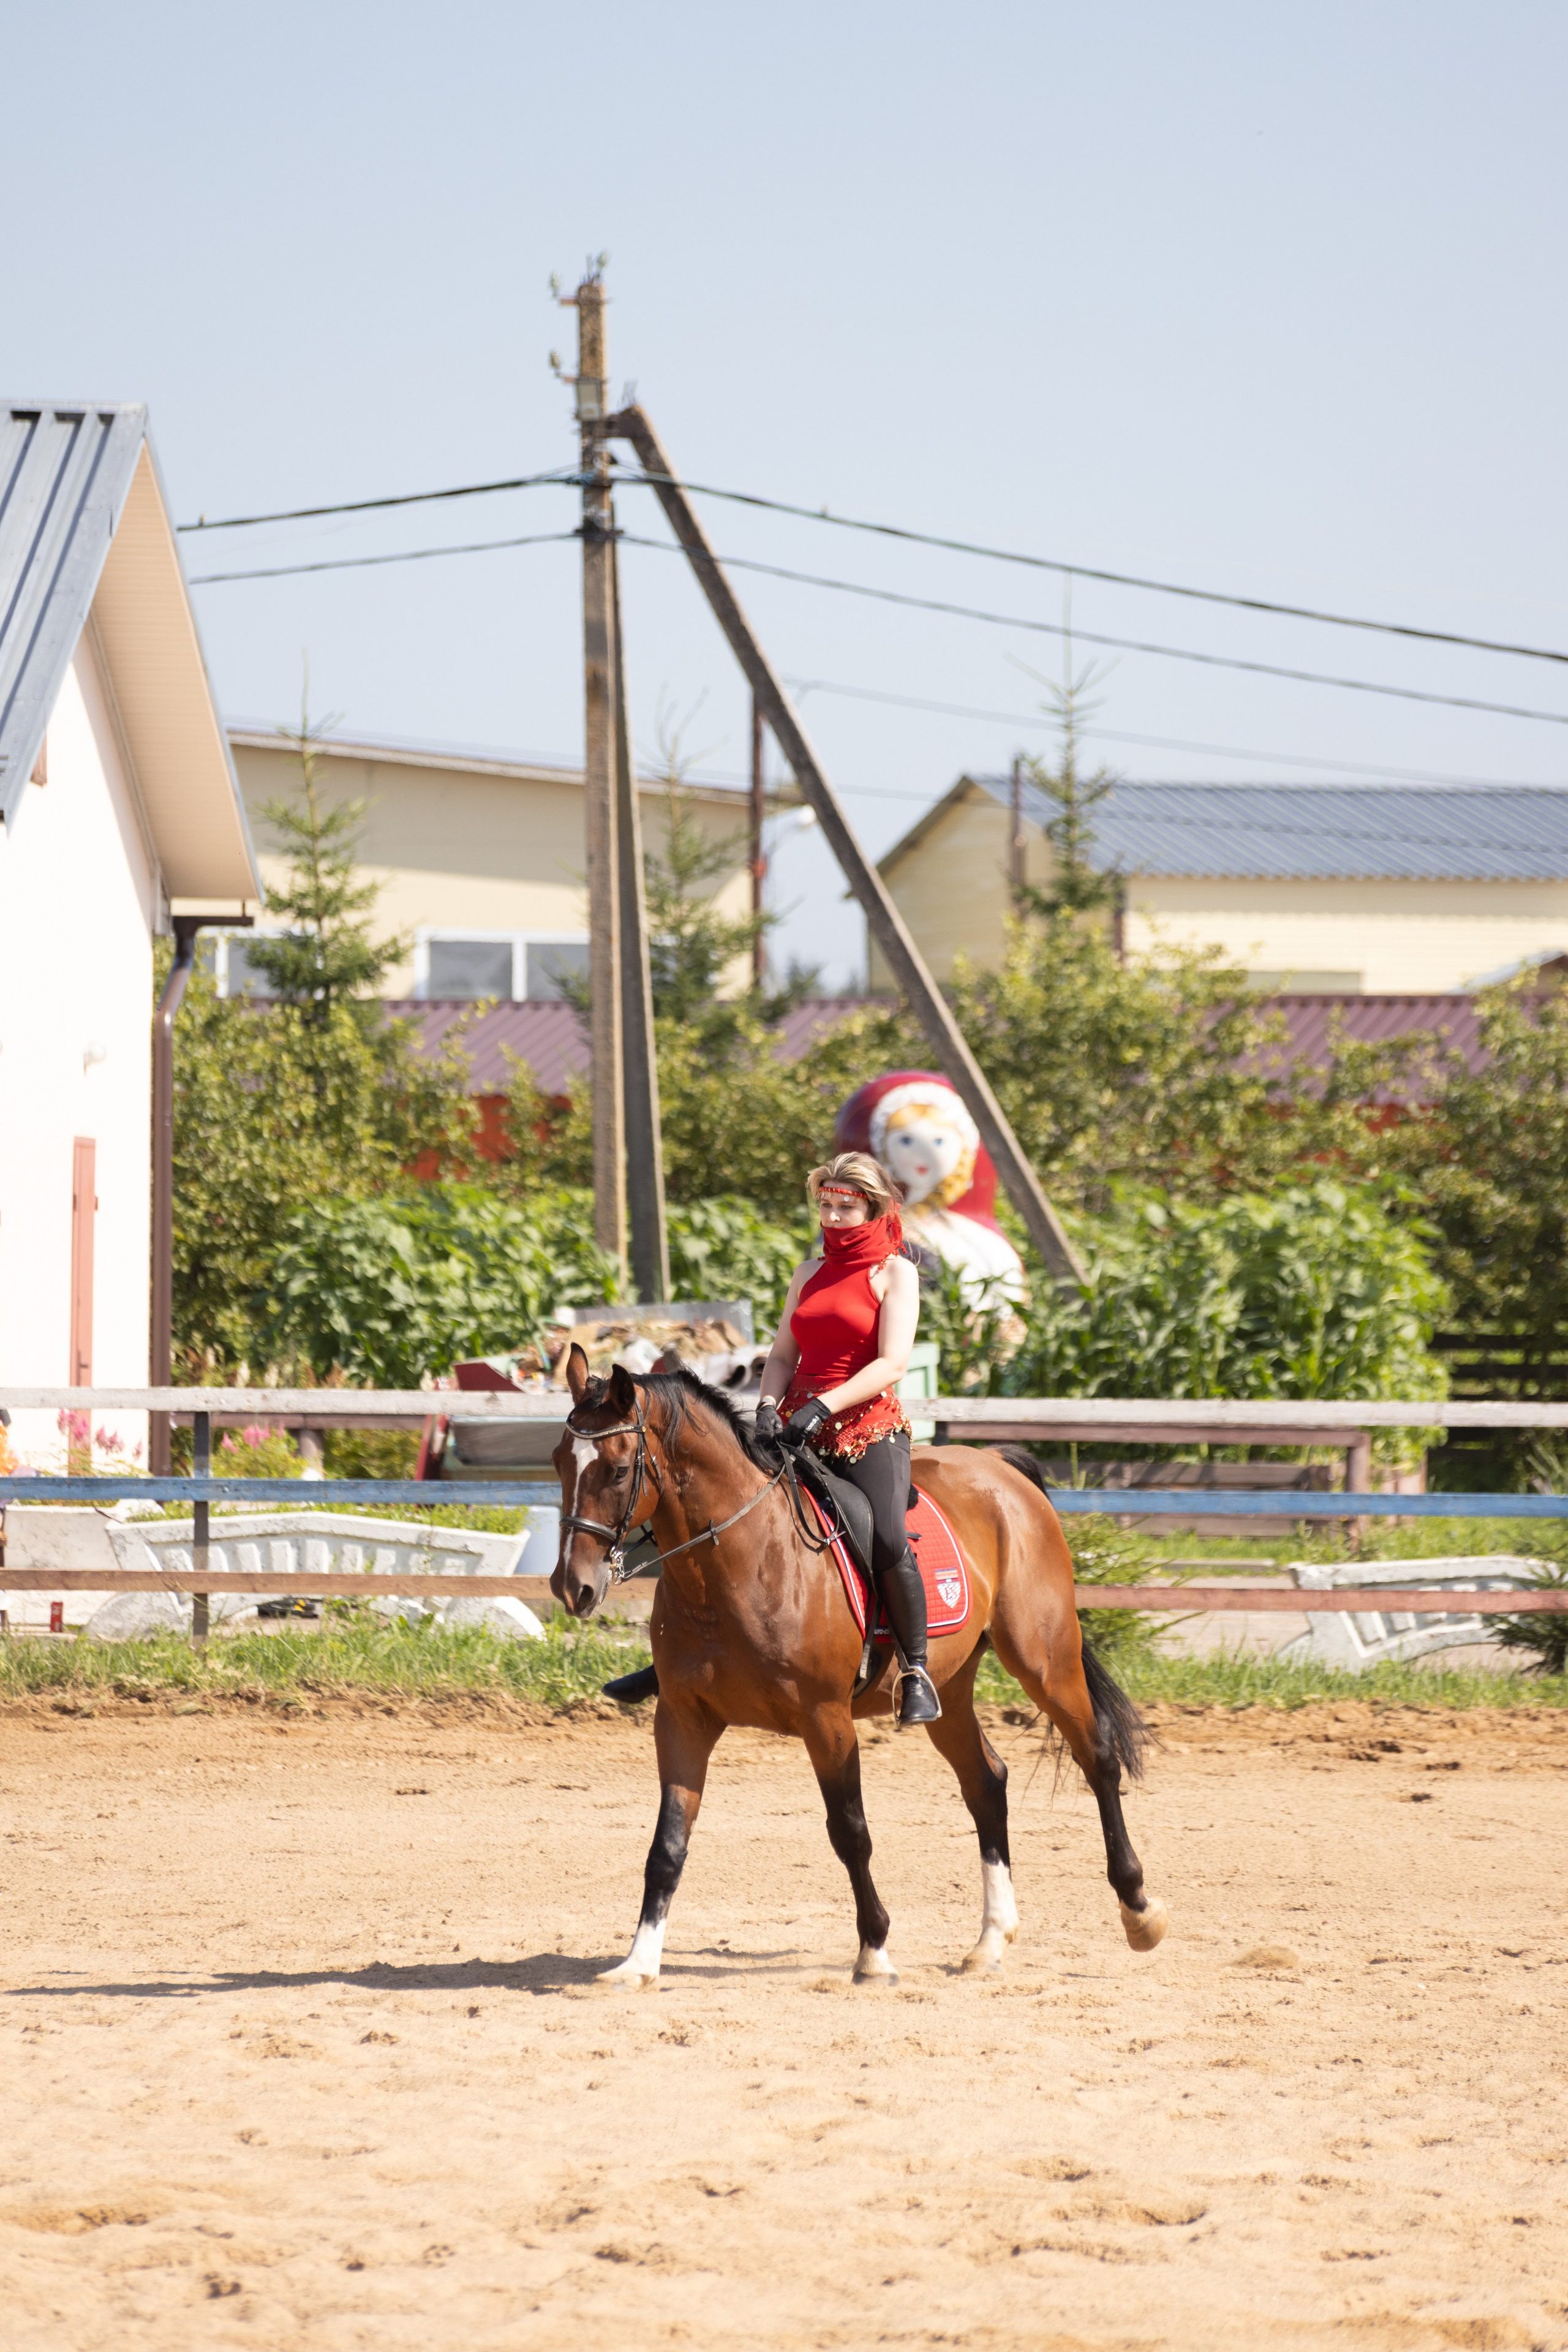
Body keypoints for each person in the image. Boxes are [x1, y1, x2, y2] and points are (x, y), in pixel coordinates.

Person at [755, 1150, 941, 1730]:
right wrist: (765, 1405)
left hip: (867, 1426)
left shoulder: (895, 1272)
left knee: (885, 1536)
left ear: (873, 1207)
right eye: (825, 1206)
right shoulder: (808, 1273)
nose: (832, 1218)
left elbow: (892, 1364)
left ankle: (916, 1670)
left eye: (845, 1207)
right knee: (719, 1505)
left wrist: (823, 1405)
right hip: (795, 1423)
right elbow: (784, 1353)